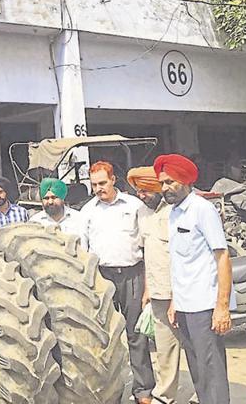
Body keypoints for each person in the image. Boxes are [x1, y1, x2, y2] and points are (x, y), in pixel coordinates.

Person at [154, 154, 235, 404]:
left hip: (204, 305)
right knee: (198, 370)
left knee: (211, 371)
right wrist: (175, 302)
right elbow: (180, 263)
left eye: (170, 182)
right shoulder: (174, 213)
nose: (165, 188)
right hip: (185, 306)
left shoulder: (202, 209)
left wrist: (221, 307)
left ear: (185, 180)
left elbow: (222, 258)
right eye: (162, 183)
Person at [81, 161, 155, 404]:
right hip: (102, 278)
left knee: (136, 334)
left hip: (132, 275)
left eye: (102, 183)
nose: (98, 189)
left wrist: (148, 285)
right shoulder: (88, 211)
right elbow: (83, 250)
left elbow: (149, 244)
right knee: (103, 336)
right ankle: (106, 391)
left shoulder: (134, 206)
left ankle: (143, 390)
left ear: (113, 179)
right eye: (94, 185)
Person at [128, 166, 181, 404]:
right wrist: (148, 288)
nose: (141, 195)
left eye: (145, 190)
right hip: (158, 291)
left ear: (157, 187)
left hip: (184, 291)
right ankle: (164, 396)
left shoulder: (178, 211)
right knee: (164, 347)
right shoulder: (142, 213)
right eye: (138, 191)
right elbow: (147, 253)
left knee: (196, 347)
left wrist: (178, 296)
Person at [29, 177, 87, 248]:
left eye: (54, 197)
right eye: (46, 198)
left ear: (62, 198)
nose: (50, 202)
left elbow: (85, 248)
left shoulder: (79, 219)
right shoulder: (35, 222)